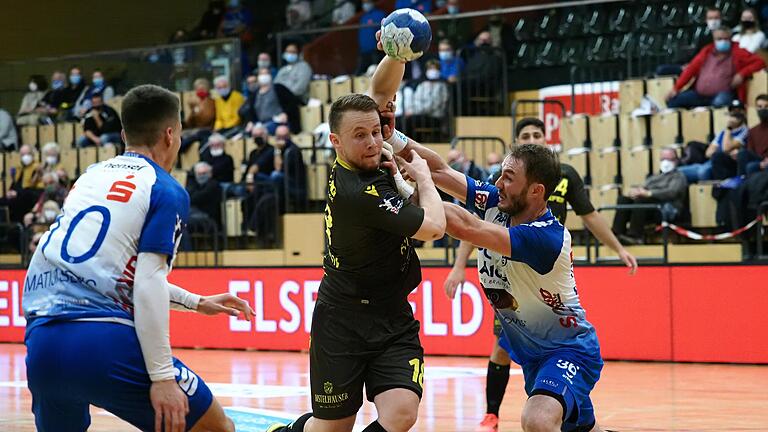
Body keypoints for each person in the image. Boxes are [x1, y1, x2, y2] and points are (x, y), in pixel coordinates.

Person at [22, 84, 254, 432]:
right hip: (101, 342)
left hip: (42, 344)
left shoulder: (89, 177)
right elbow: (147, 282)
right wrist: (161, 378)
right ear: (171, 135)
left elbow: (109, 273)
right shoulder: (164, 188)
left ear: (122, 134)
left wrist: (196, 301)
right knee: (218, 428)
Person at [267, 93, 447, 432]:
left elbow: (374, 95)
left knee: (402, 412)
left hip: (392, 315)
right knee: (333, 428)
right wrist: (423, 176)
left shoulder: (364, 163)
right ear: (335, 142)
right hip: (342, 320)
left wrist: (394, 63)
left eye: (377, 132)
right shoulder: (358, 192)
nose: (373, 142)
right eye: (360, 135)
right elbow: (434, 228)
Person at [450, 117, 637, 432]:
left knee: (538, 418)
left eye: (537, 134)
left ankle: (498, 411)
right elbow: (474, 222)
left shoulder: (560, 182)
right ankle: (492, 411)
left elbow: (589, 214)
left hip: (541, 262)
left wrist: (617, 248)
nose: (532, 138)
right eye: (526, 135)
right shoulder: (504, 190)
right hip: (513, 283)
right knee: (571, 423)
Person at [666, 26, 765, 109]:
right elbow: (691, 69)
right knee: (673, 101)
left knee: (720, 103)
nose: (723, 41)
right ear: (714, 39)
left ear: (730, 39)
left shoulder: (738, 52)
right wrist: (676, 88)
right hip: (699, 94)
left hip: (723, 94)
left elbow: (760, 62)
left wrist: (742, 74)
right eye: (719, 39)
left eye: (726, 39)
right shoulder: (706, 51)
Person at [613, 148, 688, 245]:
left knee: (641, 201)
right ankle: (616, 234)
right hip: (648, 206)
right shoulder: (654, 177)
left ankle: (635, 237)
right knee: (623, 200)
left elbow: (671, 192)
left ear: (676, 160)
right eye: (663, 159)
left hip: (665, 209)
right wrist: (636, 191)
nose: (666, 162)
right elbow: (643, 187)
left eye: (670, 159)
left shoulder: (679, 176)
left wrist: (649, 193)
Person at [679, 110, 748, 182]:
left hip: (726, 164)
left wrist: (729, 129)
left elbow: (725, 148)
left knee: (702, 172)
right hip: (711, 161)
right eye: (731, 115)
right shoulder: (722, 132)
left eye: (735, 117)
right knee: (678, 171)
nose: (731, 119)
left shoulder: (744, 131)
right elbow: (708, 153)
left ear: (741, 118)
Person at [239, 68, 287, 135]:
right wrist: (251, 122)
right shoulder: (255, 95)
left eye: (266, 74)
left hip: (276, 122)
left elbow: (290, 105)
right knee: (245, 133)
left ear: (270, 75)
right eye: (261, 74)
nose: (264, 76)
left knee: (259, 132)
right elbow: (251, 113)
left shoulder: (278, 89)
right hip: (260, 123)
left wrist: (285, 114)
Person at [181, 78, 217, 153]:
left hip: (207, 129)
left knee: (188, 137)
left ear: (207, 89)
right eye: (198, 89)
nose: (200, 91)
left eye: (202, 89)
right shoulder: (195, 103)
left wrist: (197, 112)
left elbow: (207, 119)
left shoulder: (211, 102)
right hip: (195, 129)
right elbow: (189, 122)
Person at [739, 94, 768, 175]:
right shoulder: (752, 131)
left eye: (766, 106)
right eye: (759, 107)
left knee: (751, 166)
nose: (763, 109)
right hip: (758, 159)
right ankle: (741, 181)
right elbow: (750, 151)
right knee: (742, 153)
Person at [187, 161, 223, 228]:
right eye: (199, 174)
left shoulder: (213, 185)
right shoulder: (196, 185)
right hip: (195, 215)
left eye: (204, 173)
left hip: (209, 219)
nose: (201, 176)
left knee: (183, 221)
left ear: (210, 174)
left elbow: (195, 198)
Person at [358, 0, 386, 74]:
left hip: (376, 50)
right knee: (360, 74)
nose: (365, 5)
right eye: (363, 2)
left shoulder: (379, 14)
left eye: (367, 2)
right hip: (364, 51)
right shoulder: (363, 17)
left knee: (377, 72)